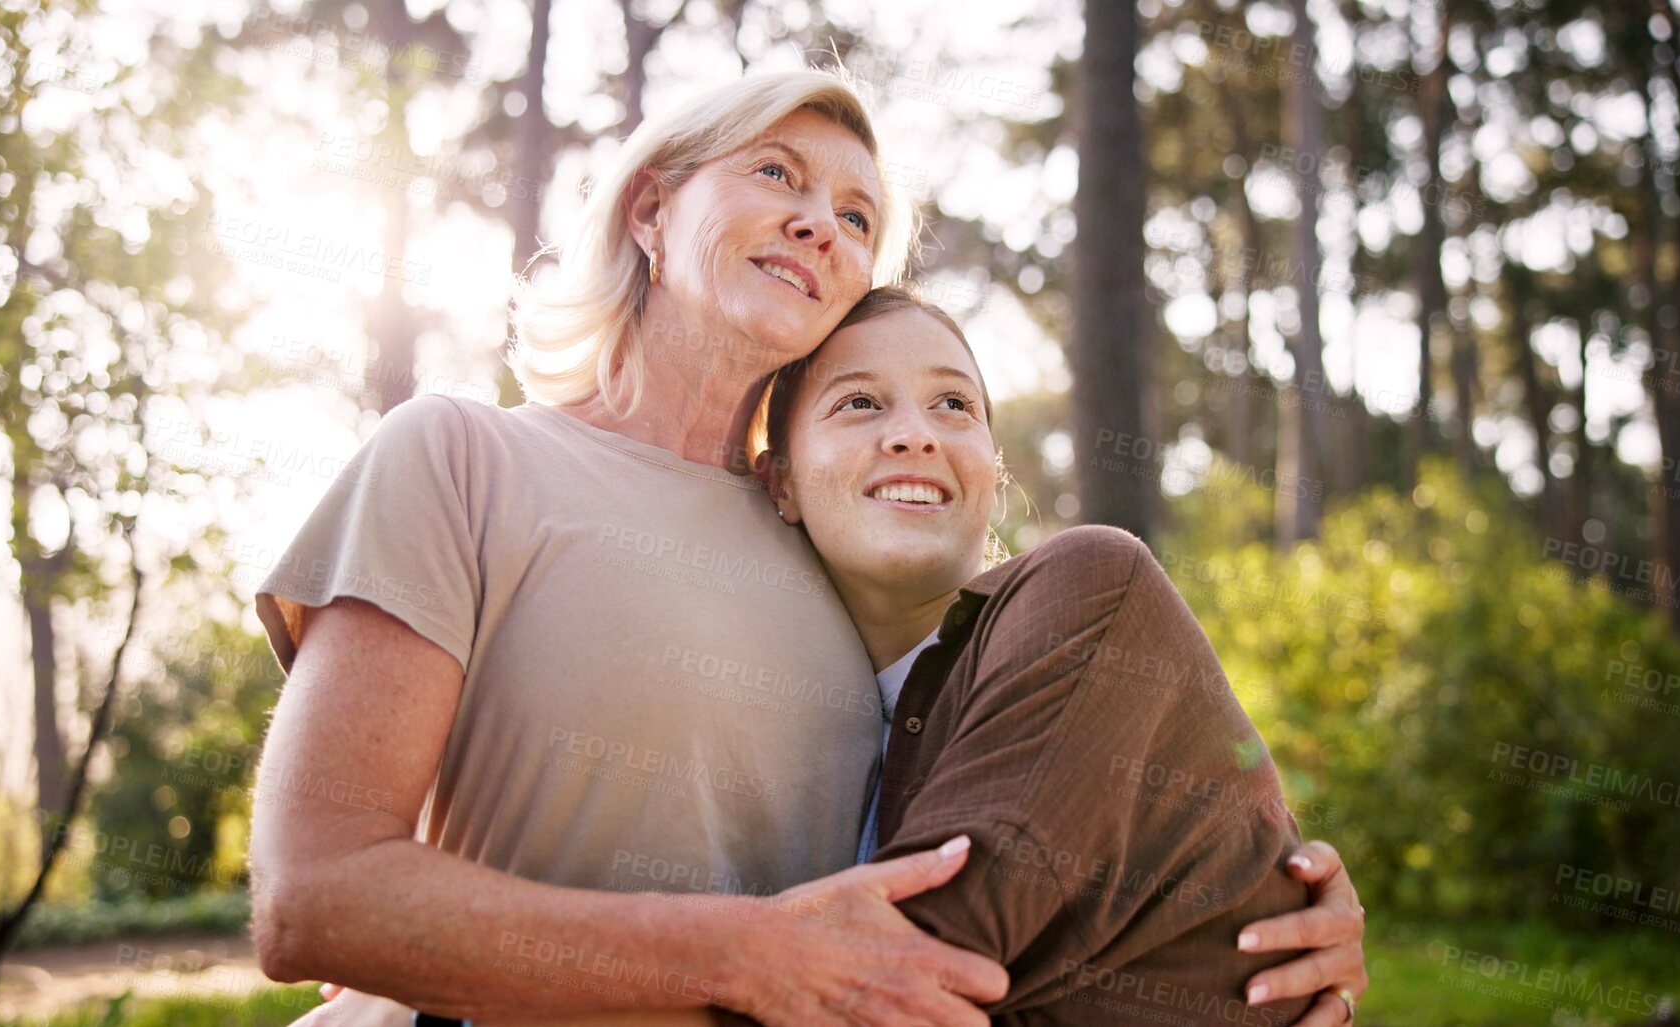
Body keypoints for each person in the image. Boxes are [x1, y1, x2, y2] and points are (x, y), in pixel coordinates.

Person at [249, 69, 1364, 1027]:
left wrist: (1278, 895)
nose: (821, 222)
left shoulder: (838, 536)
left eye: (858, 217)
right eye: (777, 174)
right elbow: (315, 895)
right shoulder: (458, 458)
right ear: (650, 210)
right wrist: (744, 955)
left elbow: (1080, 775)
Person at [747, 286, 1366, 1025]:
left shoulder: (1094, 585)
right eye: (859, 404)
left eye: (953, 405)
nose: (917, 435)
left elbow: (902, 977)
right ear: (779, 479)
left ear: (991, 466)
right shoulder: (804, 718)